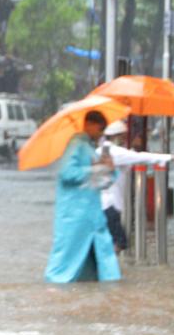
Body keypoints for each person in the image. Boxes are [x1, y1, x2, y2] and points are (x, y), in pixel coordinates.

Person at [45, 110, 121, 283]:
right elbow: (66, 173)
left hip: (91, 216)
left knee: (102, 264)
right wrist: (96, 169)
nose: (102, 134)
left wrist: (109, 169)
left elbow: (101, 182)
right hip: (75, 216)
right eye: (100, 129)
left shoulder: (90, 149)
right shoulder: (76, 144)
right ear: (89, 124)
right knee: (64, 263)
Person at [98, 120, 174, 254]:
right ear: (116, 136)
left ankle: (105, 267)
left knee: (110, 240)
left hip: (98, 205)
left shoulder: (99, 151)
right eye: (122, 137)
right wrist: (171, 157)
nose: (123, 139)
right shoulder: (116, 152)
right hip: (110, 205)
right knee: (120, 242)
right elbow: (142, 157)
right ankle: (105, 267)